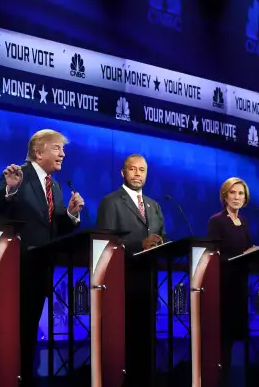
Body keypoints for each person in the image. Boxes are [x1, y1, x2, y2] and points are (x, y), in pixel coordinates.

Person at [0, 129, 84, 387]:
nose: (63, 154)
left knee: (29, 330)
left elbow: (53, 227)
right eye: (57, 148)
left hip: (42, 268)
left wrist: (71, 215)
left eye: (62, 149)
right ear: (39, 152)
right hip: (16, 268)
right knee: (15, 330)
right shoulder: (18, 175)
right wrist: (10, 189)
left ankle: (26, 378)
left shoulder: (54, 185)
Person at [96, 154, 167, 385]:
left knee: (146, 342)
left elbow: (161, 238)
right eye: (132, 169)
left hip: (148, 283)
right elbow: (106, 244)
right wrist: (139, 246)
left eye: (142, 170)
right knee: (125, 342)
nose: (138, 174)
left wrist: (162, 245)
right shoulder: (111, 202)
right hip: (122, 284)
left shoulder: (154, 205)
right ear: (122, 173)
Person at [206, 177, 259, 383]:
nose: (237, 197)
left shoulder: (243, 221)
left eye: (241, 194)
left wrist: (252, 252)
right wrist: (240, 255)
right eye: (233, 193)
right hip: (223, 286)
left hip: (240, 286)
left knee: (238, 338)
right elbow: (213, 254)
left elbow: (246, 248)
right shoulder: (217, 221)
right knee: (224, 340)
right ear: (225, 196)